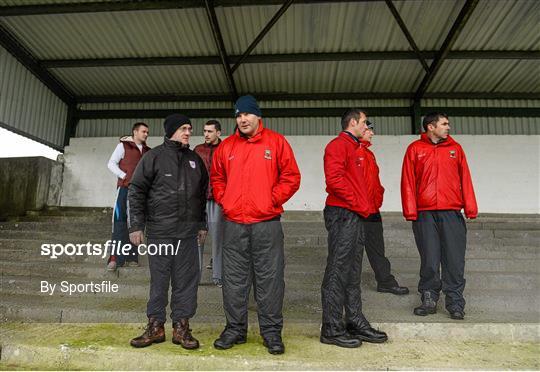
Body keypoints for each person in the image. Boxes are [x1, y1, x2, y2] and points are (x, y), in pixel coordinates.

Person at [211, 95, 301, 355]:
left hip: (266, 223)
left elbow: (291, 177)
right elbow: (217, 177)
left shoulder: (276, 142)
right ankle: (235, 329)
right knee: (233, 280)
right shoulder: (226, 146)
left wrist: (271, 199)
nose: (242, 119)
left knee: (270, 280)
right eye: (238, 116)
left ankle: (271, 332)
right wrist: (225, 200)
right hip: (234, 223)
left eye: (247, 115)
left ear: (258, 117)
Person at [128, 114, 208, 349]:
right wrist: (135, 226)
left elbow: (201, 196)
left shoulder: (195, 160)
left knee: (186, 281)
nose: (187, 132)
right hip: (160, 231)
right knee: (160, 281)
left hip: (187, 233)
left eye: (189, 129)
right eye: (183, 128)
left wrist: (202, 224)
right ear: (171, 130)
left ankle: (181, 327)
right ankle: (155, 326)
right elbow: (137, 191)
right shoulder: (153, 157)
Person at [320, 108, 388, 348]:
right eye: (364, 122)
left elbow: (368, 185)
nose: (366, 125)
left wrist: (368, 205)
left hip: (356, 214)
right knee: (338, 269)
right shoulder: (338, 146)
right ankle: (331, 327)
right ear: (353, 123)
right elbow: (335, 179)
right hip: (343, 213)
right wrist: (360, 204)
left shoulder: (357, 149)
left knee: (352, 270)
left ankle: (354, 321)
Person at [401, 112, 477, 320]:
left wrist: (470, 207)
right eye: (444, 124)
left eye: (448, 124)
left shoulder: (455, 149)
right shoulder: (415, 149)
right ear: (431, 127)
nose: (448, 127)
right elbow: (407, 181)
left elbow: (466, 178)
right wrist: (410, 210)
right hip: (424, 214)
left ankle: (455, 303)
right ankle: (429, 298)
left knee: (454, 259)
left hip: (451, 212)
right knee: (430, 258)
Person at [360, 121, 409, 295]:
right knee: (349, 252)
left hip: (372, 210)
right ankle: (344, 286)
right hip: (356, 211)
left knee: (377, 249)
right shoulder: (349, 150)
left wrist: (378, 198)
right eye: (368, 129)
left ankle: (385, 282)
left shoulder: (369, 154)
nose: (372, 133)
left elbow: (374, 183)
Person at [106, 122, 150, 271]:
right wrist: (124, 176)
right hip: (124, 189)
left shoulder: (148, 151)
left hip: (140, 193)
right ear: (135, 132)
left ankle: (132, 257)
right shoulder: (123, 146)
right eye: (143, 131)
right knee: (119, 222)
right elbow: (111, 163)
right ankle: (115, 259)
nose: (146, 134)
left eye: (147, 132)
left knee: (136, 223)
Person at [194, 120, 224, 287]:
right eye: (205, 131)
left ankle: (218, 276)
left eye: (210, 131)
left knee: (218, 239)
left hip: (217, 200)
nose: (206, 134)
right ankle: (195, 277)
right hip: (199, 200)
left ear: (218, 133)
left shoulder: (226, 148)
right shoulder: (197, 150)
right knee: (197, 238)